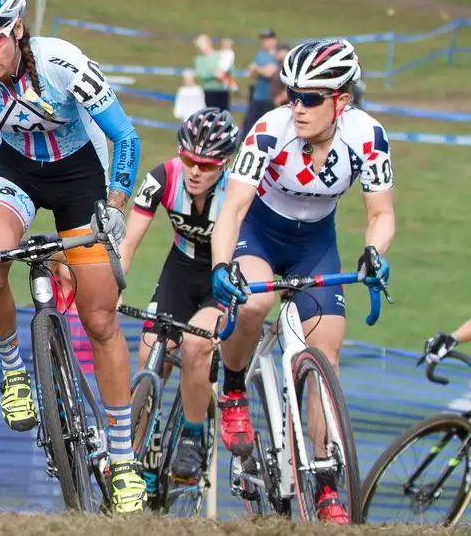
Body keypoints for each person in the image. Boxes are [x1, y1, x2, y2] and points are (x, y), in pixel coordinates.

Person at [0, 0, 146, 513]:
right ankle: (13, 372)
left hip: (81, 176)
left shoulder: (61, 61)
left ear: (19, 28)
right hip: (14, 171)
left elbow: (125, 136)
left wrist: (116, 206)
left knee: (100, 320)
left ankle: (122, 461)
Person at [209, 38, 395, 523]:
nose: (298, 106)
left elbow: (382, 212)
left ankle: (327, 484)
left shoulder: (368, 136)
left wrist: (374, 253)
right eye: (293, 93)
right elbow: (232, 208)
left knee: (325, 354)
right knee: (252, 306)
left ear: (342, 100)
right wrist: (221, 266)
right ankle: (233, 389)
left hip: (315, 242)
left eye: (311, 98)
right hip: (260, 232)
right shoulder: (270, 131)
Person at [118, 107, 239, 490]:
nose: (195, 170)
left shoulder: (236, 191)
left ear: (223, 164)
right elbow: (128, 243)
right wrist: (112, 284)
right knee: (150, 349)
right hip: (180, 270)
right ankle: (135, 456)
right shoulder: (162, 178)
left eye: (205, 164)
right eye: (188, 159)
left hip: (219, 279)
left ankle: (192, 433)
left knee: (194, 348)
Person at [239, 30, 280, 139]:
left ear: (274, 40)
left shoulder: (278, 55)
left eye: (267, 39)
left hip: (270, 97)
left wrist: (257, 68)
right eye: (264, 40)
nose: (265, 42)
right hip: (258, 96)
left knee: (270, 124)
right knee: (249, 122)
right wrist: (259, 70)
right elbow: (252, 74)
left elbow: (270, 73)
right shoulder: (260, 55)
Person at [192, 35, 229, 111]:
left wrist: (224, 72)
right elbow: (202, 74)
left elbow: (229, 68)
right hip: (209, 91)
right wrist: (214, 73)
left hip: (223, 90)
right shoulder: (199, 59)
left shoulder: (221, 55)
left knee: (224, 115)